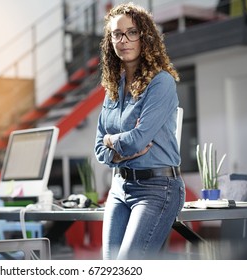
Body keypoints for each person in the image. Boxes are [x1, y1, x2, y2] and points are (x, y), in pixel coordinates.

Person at [94, 2, 185, 259]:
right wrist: (115, 148)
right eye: (117, 34)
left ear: (144, 36)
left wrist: (112, 140)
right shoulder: (113, 85)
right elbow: (99, 148)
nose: (124, 40)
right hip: (119, 186)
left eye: (131, 32)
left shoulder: (161, 82)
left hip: (157, 188)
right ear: (110, 40)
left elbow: (138, 140)